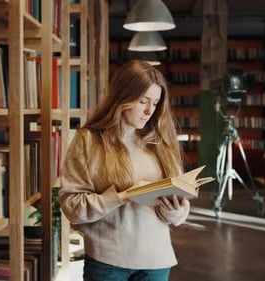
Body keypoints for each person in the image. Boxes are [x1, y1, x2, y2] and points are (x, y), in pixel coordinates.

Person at [58, 59, 190, 281]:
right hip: (107, 263)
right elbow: (72, 206)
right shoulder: (89, 140)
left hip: (157, 262)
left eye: (156, 103)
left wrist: (175, 210)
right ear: (122, 98)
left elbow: (177, 216)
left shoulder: (162, 142)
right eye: (143, 101)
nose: (150, 110)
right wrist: (122, 196)